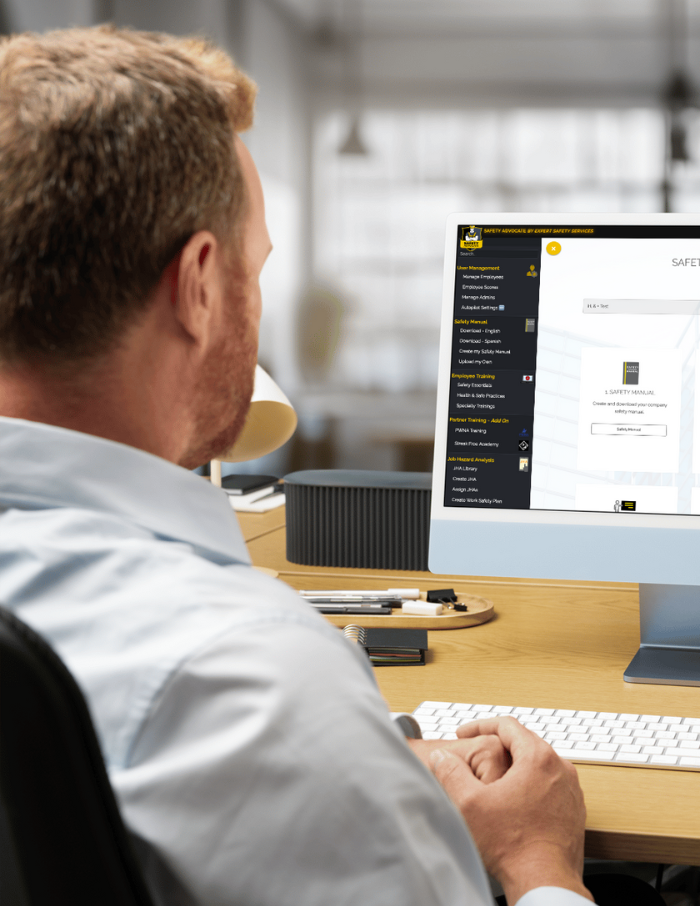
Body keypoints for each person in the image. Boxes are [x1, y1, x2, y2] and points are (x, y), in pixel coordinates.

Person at [0, 26, 631, 906]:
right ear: (199, 286)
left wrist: (355, 769)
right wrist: (537, 862)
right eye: (257, 269)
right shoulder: (252, 681)